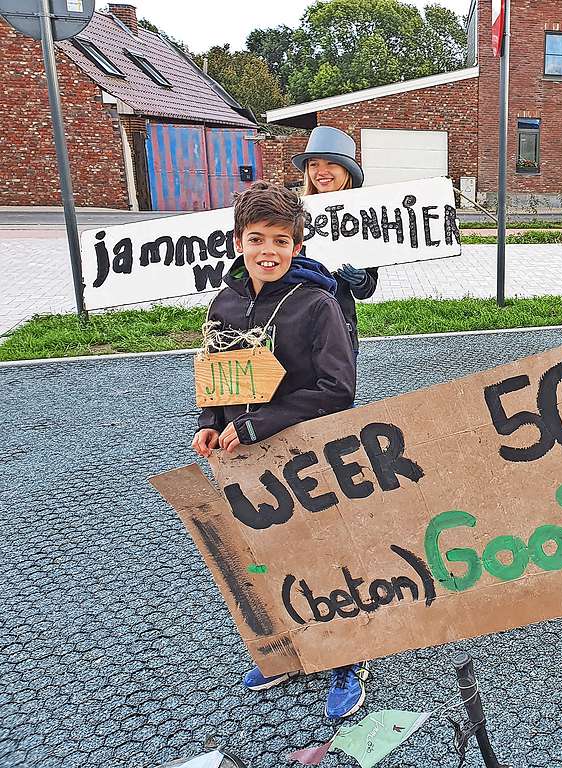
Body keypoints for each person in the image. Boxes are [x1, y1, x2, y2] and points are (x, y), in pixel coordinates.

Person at [190, 180, 367, 720]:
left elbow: (339, 388)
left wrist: (258, 424)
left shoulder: (317, 304)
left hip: (305, 449)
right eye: (257, 238)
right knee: (268, 557)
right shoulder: (226, 302)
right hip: (245, 457)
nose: (269, 251)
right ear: (238, 240)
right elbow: (220, 376)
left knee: (324, 554)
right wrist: (208, 421)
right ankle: (288, 651)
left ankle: (347, 660)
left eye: (282, 240)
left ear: (300, 243)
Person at [293, 126, 378, 355]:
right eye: (313, 164)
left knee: (339, 391)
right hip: (295, 329)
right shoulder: (293, 215)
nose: (321, 171)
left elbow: (366, 290)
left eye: (330, 163)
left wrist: (360, 280)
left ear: (346, 170)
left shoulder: (363, 217)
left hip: (339, 329)